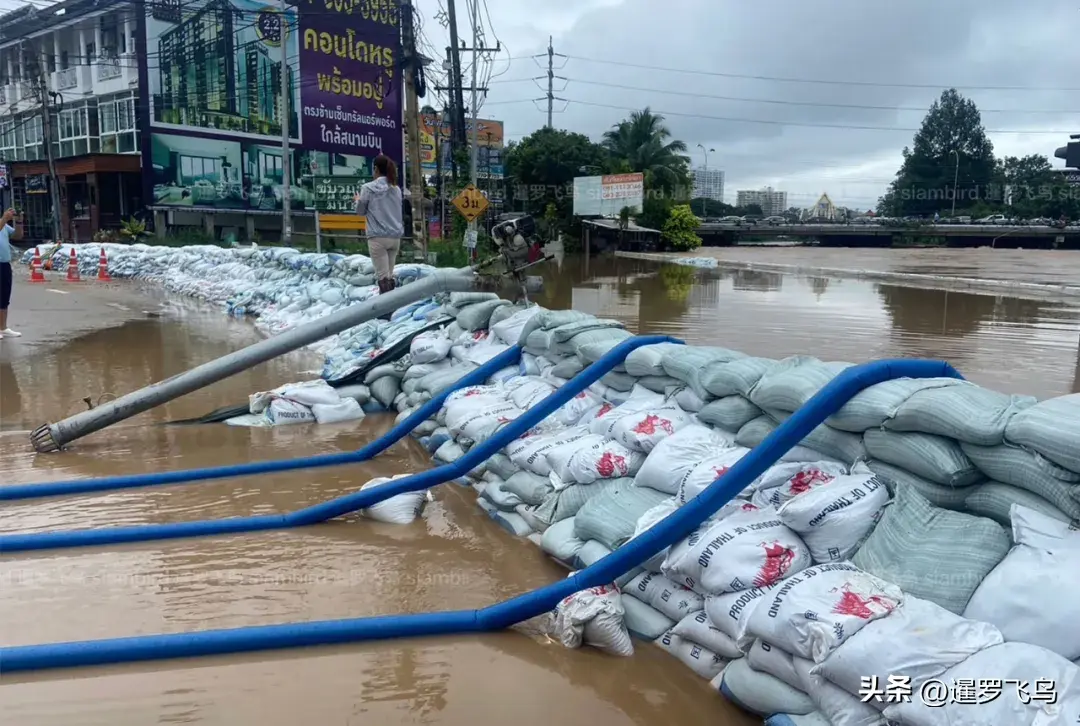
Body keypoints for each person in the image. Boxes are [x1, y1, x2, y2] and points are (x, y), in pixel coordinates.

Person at [354, 154, 410, 295]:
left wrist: (357, 200)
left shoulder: (368, 188)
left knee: (383, 277)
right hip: (395, 237)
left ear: (375, 169)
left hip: (377, 237)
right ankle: (391, 306)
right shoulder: (396, 189)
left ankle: (385, 311)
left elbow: (361, 211)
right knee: (389, 275)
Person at [0, 208, 21, 340]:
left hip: (5, 264)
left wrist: (19, 222)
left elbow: (18, 236)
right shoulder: (2, 222)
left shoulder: (4, 225)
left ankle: (3, 327)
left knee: (4, 296)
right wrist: (4, 219)